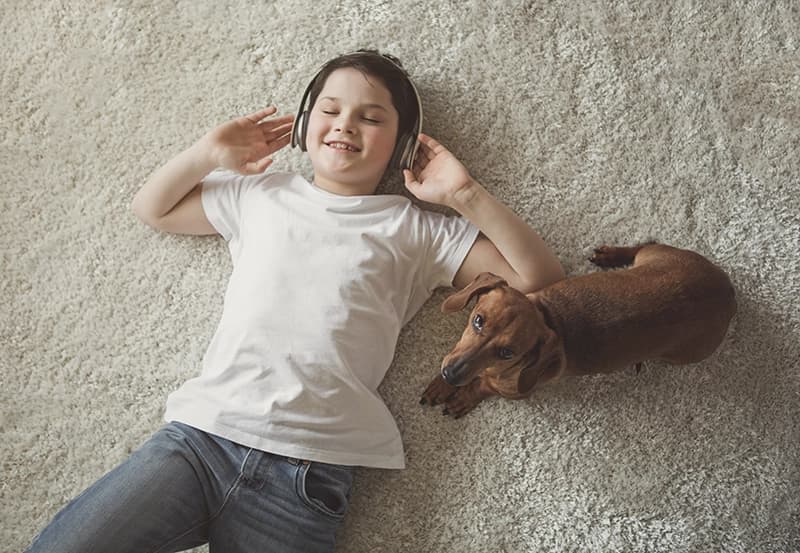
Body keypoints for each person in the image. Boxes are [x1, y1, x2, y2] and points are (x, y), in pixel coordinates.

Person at [25, 50, 564, 553]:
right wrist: (208, 153)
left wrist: (463, 195)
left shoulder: (416, 229)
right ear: (306, 125)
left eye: (372, 119)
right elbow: (153, 208)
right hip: (198, 442)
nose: (346, 124)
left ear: (404, 146)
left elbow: (538, 278)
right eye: (330, 109)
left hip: (308, 467)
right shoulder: (262, 194)